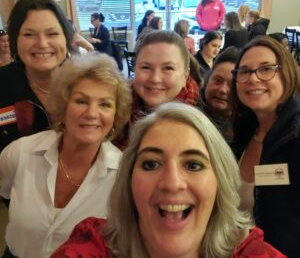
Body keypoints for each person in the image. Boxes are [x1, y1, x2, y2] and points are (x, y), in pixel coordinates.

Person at [51, 102, 285, 258]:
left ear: (219, 183)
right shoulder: (89, 248)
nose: (172, 183)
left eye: (193, 165)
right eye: (151, 164)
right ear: (129, 182)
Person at [0, 53, 132, 258]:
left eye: (105, 104)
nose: (91, 113)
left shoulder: (124, 176)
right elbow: (5, 191)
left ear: (116, 114)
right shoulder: (20, 152)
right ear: (63, 105)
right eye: (81, 100)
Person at [231, 36, 300, 257]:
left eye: (266, 69)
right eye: (244, 71)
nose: (253, 79)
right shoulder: (244, 129)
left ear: (286, 74)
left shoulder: (296, 136)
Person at [0, 0, 74, 153]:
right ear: (15, 40)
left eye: (52, 34)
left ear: (66, 39)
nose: (42, 43)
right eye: (29, 34)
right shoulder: (3, 84)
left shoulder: (85, 82)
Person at [114, 30, 199, 149]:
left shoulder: (202, 121)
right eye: (146, 67)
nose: (155, 79)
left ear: (185, 75)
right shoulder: (114, 107)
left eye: (168, 68)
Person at [200, 47, 239, 143]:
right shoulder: (188, 115)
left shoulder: (248, 127)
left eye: (232, 85)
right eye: (218, 81)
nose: (223, 90)